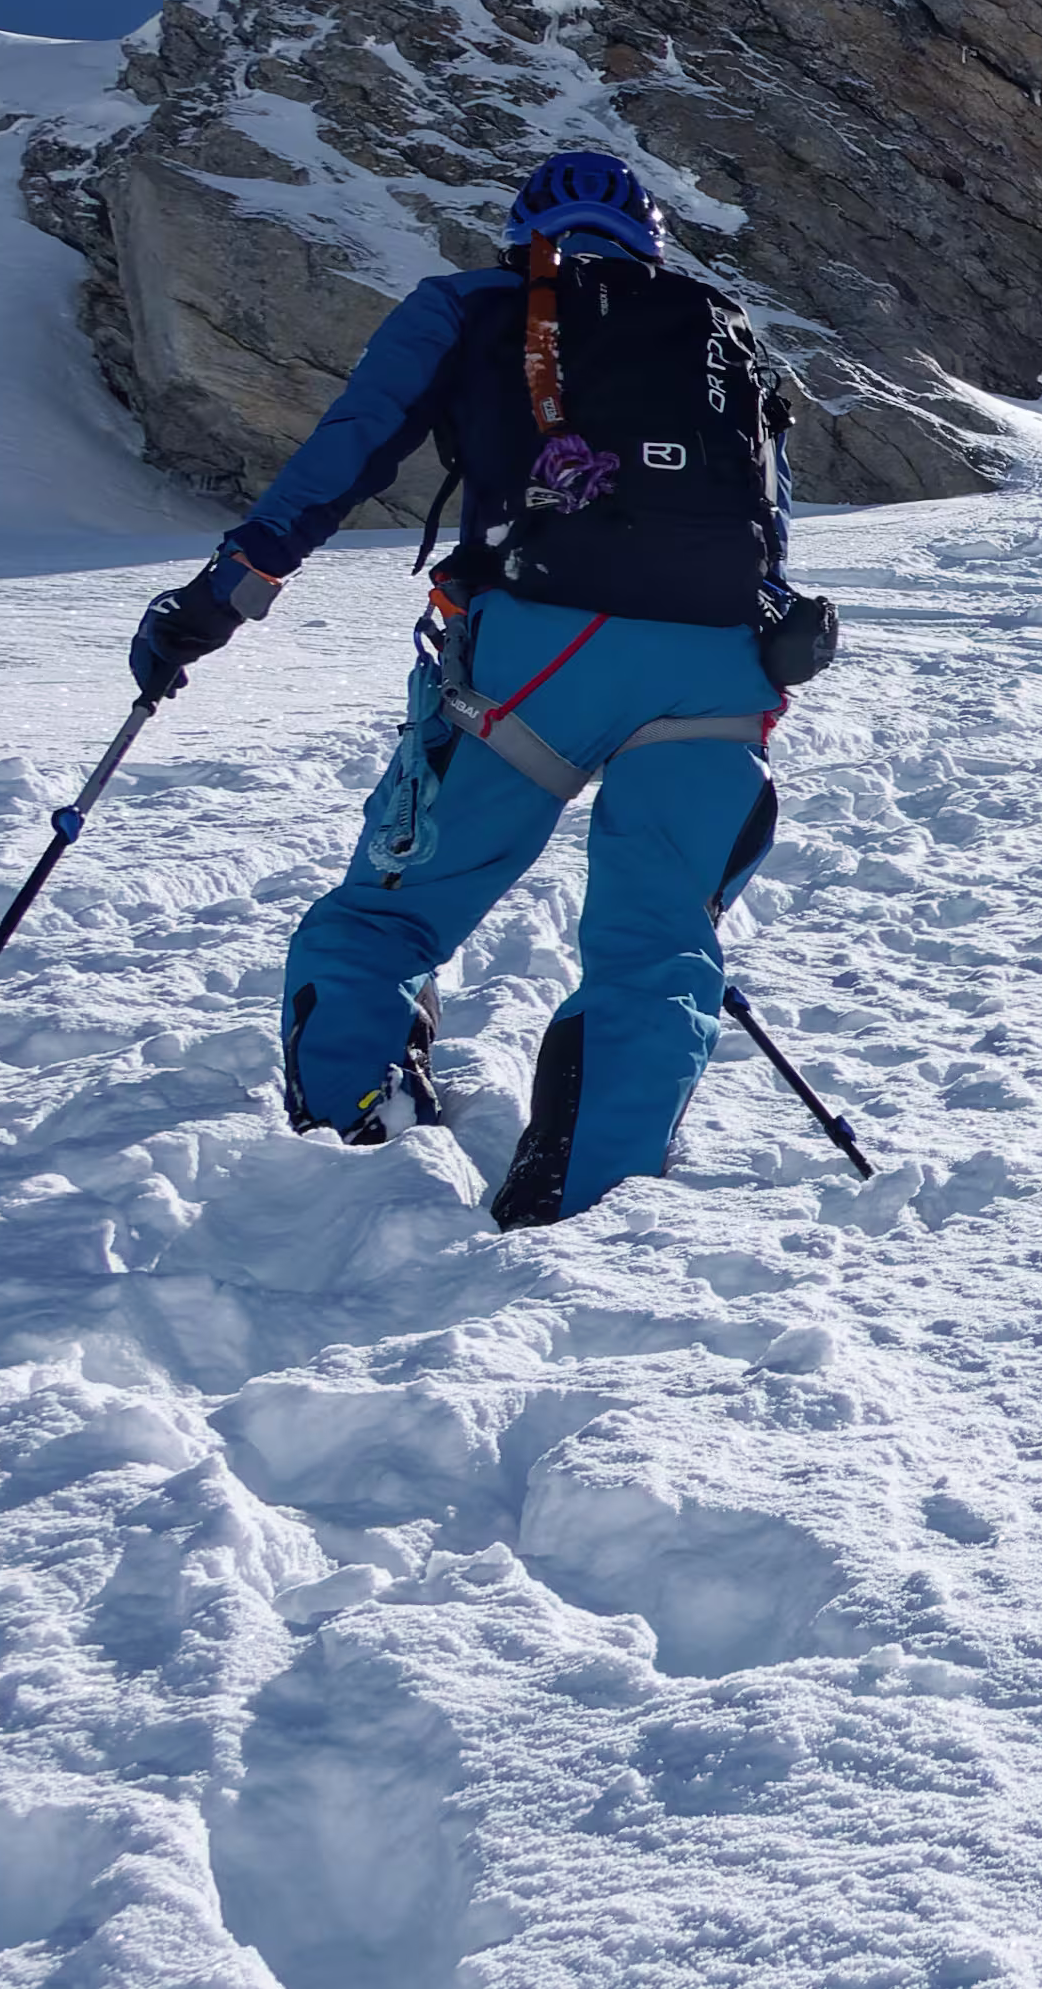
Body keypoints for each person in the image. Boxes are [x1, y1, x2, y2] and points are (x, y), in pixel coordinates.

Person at [120, 149, 838, 1226]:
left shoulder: (474, 306)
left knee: (393, 908)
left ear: (524, 234)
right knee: (657, 943)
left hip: (532, 658)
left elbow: (351, 446)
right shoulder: (720, 333)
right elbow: (768, 520)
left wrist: (226, 593)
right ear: (648, 239)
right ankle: (582, 1203)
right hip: (715, 670)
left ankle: (350, 1140)